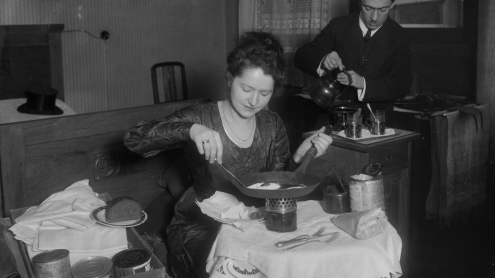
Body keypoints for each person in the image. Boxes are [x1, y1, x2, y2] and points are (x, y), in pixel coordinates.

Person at [124, 31, 332, 278]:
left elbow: (277, 185)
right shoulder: (200, 117)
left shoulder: (271, 124)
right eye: (246, 88)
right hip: (199, 227)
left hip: (253, 223)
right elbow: (134, 139)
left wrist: (298, 158)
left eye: (264, 93)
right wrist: (190, 129)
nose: (254, 101)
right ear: (229, 79)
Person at [294, 0, 411, 126]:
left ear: (392, 5)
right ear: (361, 2)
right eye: (368, 8)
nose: (374, 17)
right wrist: (323, 59)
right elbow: (301, 56)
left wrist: (363, 83)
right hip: (335, 119)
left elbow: (402, 84)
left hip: (377, 123)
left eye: (383, 10)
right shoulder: (338, 25)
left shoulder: (399, 35)